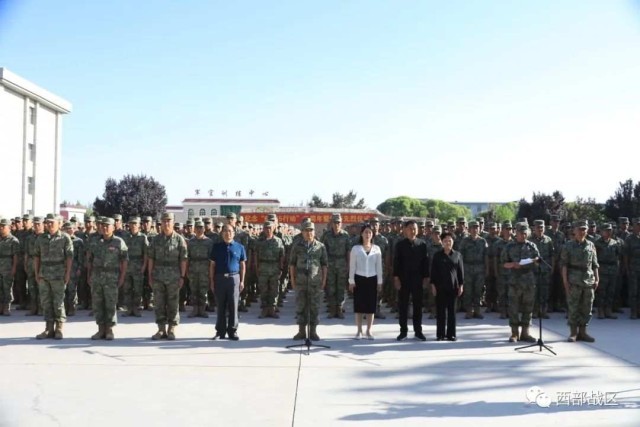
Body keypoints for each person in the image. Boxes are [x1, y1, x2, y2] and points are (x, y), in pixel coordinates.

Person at [147, 212, 188, 341]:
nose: (166, 223)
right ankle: (161, 329)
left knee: (173, 303)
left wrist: (182, 277)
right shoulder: (155, 240)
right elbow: (151, 259)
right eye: (164, 221)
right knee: (159, 303)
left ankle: (171, 328)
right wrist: (150, 275)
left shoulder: (179, 239)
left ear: (173, 222)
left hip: (174, 277)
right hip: (158, 276)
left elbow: (183, 260)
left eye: (169, 221)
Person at [33, 214, 74, 340]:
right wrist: (36, 273)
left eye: (52, 222)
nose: (49, 224)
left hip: (58, 275)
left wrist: (67, 273)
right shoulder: (41, 238)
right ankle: (49, 328)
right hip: (44, 274)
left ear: (59, 224)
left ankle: (59, 328)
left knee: (58, 302)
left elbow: (69, 257)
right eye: (47, 222)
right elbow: (36, 256)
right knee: (46, 302)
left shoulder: (65, 238)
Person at [87, 218, 128, 340]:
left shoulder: (118, 242)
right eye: (103, 226)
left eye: (107, 226)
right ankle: (100, 330)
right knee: (98, 304)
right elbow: (90, 260)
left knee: (110, 304)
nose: (105, 228)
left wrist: (122, 277)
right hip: (97, 277)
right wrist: (89, 275)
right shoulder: (95, 242)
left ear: (113, 227)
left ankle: (109, 329)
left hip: (111, 278)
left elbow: (124, 261)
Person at [501, 223, 540, 343]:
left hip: (529, 281)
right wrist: (513, 264)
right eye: (520, 233)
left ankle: (525, 333)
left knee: (528, 307)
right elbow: (503, 263)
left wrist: (535, 261)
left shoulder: (532, 246)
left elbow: (538, 260)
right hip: (515, 281)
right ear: (516, 233)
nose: (523, 236)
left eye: (525, 233)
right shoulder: (509, 246)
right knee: (513, 307)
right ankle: (514, 333)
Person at [289, 221, 328, 341]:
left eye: (311, 230)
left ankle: (313, 332)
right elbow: (292, 264)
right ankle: (301, 331)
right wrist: (293, 280)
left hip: (315, 282)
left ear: (314, 232)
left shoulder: (320, 246)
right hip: (301, 282)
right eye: (306, 230)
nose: (309, 232)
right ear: (302, 232)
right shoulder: (297, 246)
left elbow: (324, 265)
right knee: (301, 306)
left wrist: (324, 280)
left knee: (314, 307)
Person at [562, 220, 599, 342]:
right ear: (574, 231)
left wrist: (597, 278)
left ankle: (583, 332)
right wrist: (565, 282)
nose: (582, 231)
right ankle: (573, 333)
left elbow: (594, 264)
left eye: (584, 229)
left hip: (588, 280)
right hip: (574, 280)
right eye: (580, 229)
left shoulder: (591, 245)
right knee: (573, 307)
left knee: (587, 307)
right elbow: (564, 265)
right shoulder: (568, 246)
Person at [393, 220, 430, 341]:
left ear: (417, 230)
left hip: (418, 279)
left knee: (418, 306)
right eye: (410, 228)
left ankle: (418, 331)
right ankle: (403, 331)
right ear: (405, 230)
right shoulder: (400, 245)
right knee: (403, 306)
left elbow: (425, 262)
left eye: (414, 228)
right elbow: (396, 263)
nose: (412, 231)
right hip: (403, 279)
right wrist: (396, 278)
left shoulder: (422, 244)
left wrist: (426, 278)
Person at [209, 224, 246, 340]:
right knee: (220, 306)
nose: (227, 233)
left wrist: (242, 281)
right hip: (220, 278)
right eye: (225, 231)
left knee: (233, 306)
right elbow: (212, 265)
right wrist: (212, 281)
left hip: (234, 279)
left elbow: (242, 265)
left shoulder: (240, 247)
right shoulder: (216, 247)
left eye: (230, 231)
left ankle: (232, 331)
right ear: (222, 233)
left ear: (234, 233)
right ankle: (220, 331)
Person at [348, 224, 383, 340]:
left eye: (370, 232)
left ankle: (369, 330)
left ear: (372, 235)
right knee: (359, 306)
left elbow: (379, 267)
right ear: (361, 234)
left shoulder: (377, 249)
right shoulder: (356, 249)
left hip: (372, 279)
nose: (368, 234)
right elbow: (352, 266)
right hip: (359, 279)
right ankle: (359, 331)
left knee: (370, 307)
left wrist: (379, 282)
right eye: (365, 232)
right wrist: (351, 281)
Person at [430, 231, 464, 341]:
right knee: (440, 312)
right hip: (440, 287)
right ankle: (440, 334)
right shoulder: (437, 255)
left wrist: (461, 285)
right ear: (442, 242)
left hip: (453, 287)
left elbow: (460, 272)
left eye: (450, 240)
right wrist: (433, 285)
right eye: (445, 241)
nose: (448, 243)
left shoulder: (457, 255)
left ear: (453, 242)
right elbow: (433, 272)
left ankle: (451, 334)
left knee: (452, 312)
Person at [321, 213, 351, 319]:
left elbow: (348, 251)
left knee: (341, 288)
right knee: (331, 288)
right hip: (330, 264)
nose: (337, 224)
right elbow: (323, 251)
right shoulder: (326, 235)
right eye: (335, 222)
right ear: (331, 223)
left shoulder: (345, 235)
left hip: (342, 263)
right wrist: (323, 266)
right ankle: (332, 310)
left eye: (338, 222)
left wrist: (348, 265)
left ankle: (339, 309)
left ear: (341, 223)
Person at [0, 217, 20, 316]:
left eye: (3, 226)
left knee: (7, 288)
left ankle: (7, 307)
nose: (1, 228)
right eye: (0, 226)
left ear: (9, 227)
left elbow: (15, 256)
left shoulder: (13, 240)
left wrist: (14, 268)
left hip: (8, 267)